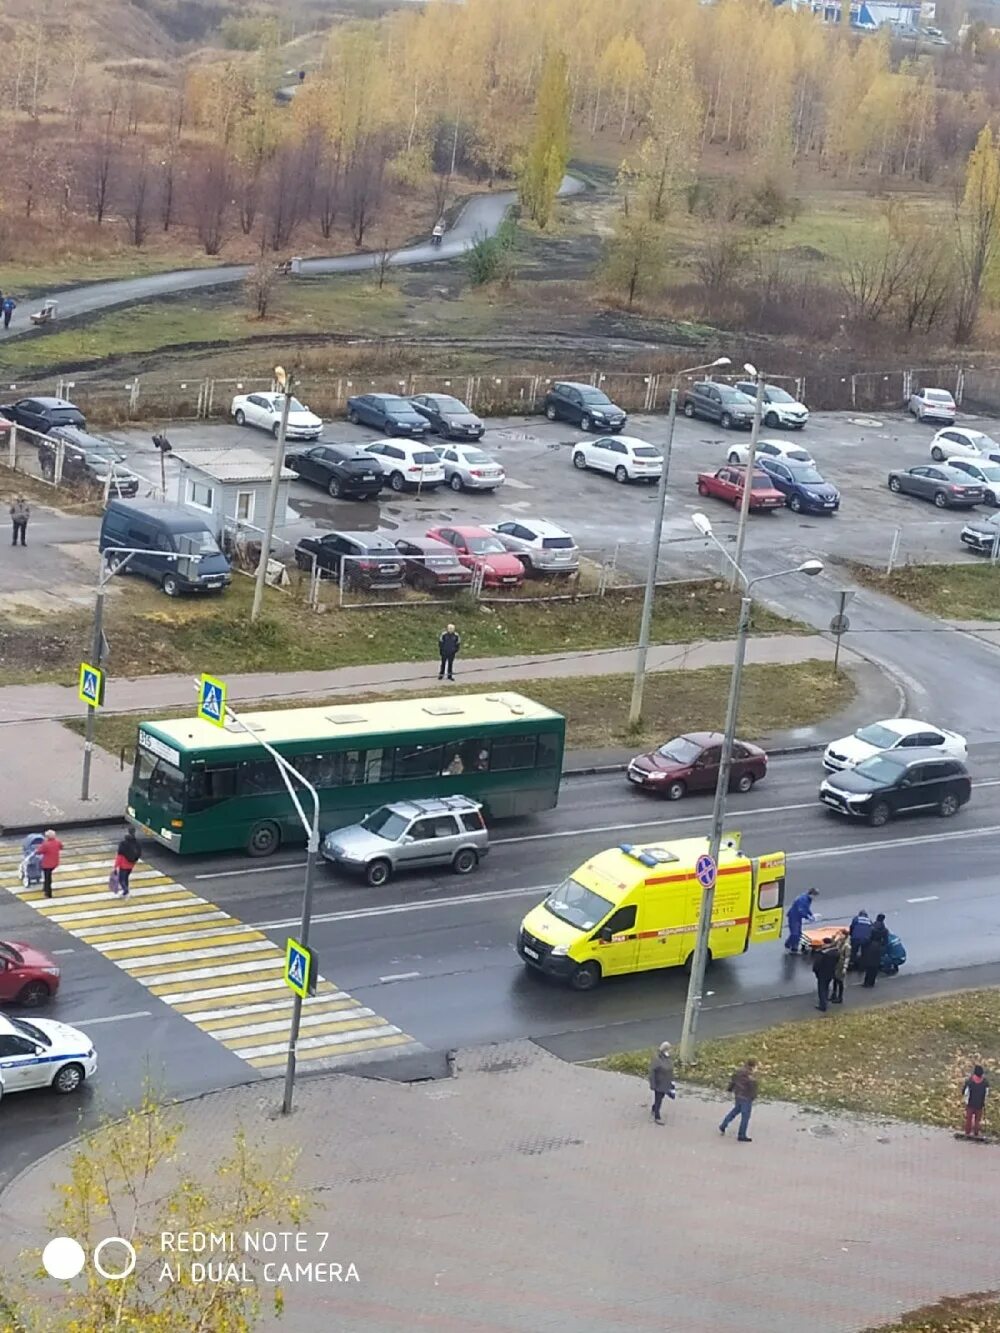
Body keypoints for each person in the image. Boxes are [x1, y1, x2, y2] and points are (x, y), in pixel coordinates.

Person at [719, 1058, 758, 1142]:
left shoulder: (738, 1072)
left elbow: (733, 1082)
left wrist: (730, 1089)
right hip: (746, 1097)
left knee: (735, 1111)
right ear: (753, 1066)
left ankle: (723, 1125)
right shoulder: (750, 1076)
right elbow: (752, 1088)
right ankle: (741, 1135)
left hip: (738, 1095)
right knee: (745, 1117)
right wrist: (753, 1097)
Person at [647, 1041, 676, 1126]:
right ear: (665, 1050)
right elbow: (652, 1072)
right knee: (658, 1099)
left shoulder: (668, 1058)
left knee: (661, 1097)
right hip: (659, 1083)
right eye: (670, 1049)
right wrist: (653, 1084)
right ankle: (657, 1116)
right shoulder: (658, 1059)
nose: (671, 1051)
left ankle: (654, 1108)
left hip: (666, 1083)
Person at [785, 887, 818, 953]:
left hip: (798, 917)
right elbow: (801, 910)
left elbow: (806, 908)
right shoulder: (802, 899)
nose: (815, 898)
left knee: (798, 933)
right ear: (811, 894)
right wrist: (808, 917)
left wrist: (811, 915)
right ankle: (790, 946)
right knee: (795, 933)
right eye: (815, 896)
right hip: (793, 916)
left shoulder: (808, 899)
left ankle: (792, 946)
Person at [112, 828, 141, 898]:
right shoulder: (136, 843)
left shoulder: (123, 844)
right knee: (126, 878)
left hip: (123, 865)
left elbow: (119, 857)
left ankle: (125, 890)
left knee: (121, 879)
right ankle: (126, 891)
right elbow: (139, 853)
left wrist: (115, 867)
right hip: (131, 865)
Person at [962, 1065, 989, 1139]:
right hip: (979, 1104)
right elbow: (986, 1093)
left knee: (968, 1119)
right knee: (977, 1120)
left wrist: (965, 1101)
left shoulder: (969, 1081)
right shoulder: (985, 1083)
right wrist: (984, 1102)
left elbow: (965, 1092)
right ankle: (976, 1133)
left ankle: (967, 1132)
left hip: (970, 1103)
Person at [812, 937, 838, 1012]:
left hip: (822, 974)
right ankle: (825, 1001)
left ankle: (822, 1005)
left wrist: (816, 971)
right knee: (826, 987)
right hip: (831, 973)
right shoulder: (835, 952)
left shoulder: (823, 954)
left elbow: (817, 965)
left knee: (821, 989)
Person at [861, 916, 888, 988]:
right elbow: (886, 941)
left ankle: (866, 982)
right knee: (875, 966)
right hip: (878, 947)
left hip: (870, 946)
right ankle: (872, 982)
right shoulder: (885, 929)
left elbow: (867, 938)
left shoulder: (872, 927)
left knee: (869, 965)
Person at [39, 829, 63, 899]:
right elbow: (61, 847)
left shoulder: (45, 844)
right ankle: (45, 888)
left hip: (47, 864)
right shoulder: (58, 842)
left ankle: (48, 893)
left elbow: (39, 851)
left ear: (47, 837)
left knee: (47, 878)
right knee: (48, 876)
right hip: (55, 863)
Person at [832, 929, 851, 1004]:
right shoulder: (839, 941)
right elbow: (833, 944)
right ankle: (834, 994)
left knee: (840, 981)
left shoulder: (847, 946)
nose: (840, 936)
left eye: (841, 934)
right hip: (836, 963)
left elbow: (847, 957)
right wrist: (834, 937)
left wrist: (845, 968)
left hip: (841, 964)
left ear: (845, 935)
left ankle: (840, 997)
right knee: (835, 979)